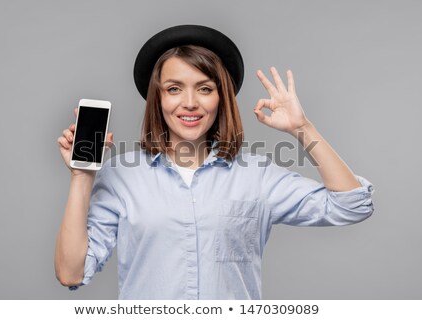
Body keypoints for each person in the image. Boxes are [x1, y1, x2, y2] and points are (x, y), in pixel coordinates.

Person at [55, 25, 374, 299]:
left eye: (205, 88)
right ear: (159, 99)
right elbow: (71, 273)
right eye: (174, 88)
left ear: (221, 98)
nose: (190, 103)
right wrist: (82, 177)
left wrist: (303, 130)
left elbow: (352, 205)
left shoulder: (257, 176)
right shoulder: (121, 176)